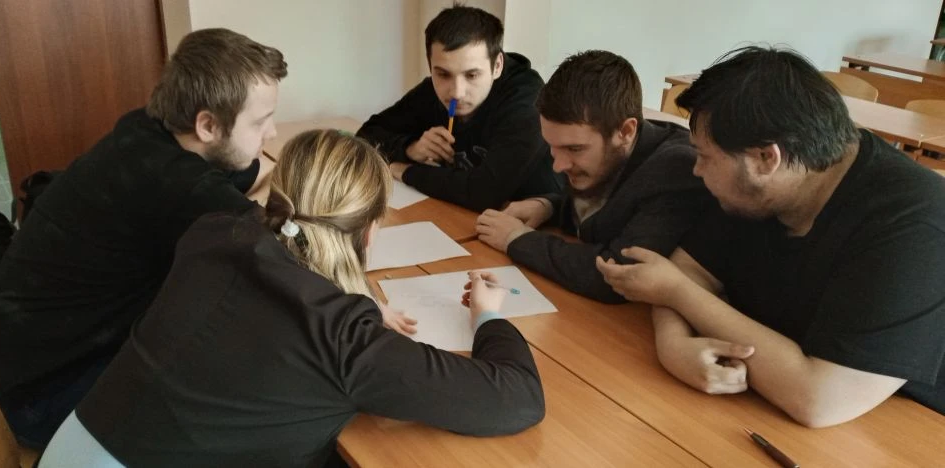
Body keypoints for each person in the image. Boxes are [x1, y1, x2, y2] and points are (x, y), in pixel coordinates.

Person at [39, 129, 546, 467]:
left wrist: (365, 303)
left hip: (69, 450)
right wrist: (488, 317)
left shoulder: (214, 235)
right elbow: (517, 397)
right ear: (369, 231)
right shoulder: (344, 339)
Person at [0, 28, 288, 447]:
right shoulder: (174, 185)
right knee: (236, 387)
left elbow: (234, 174)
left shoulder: (145, 130)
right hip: (37, 396)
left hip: (16, 359)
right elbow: (281, 262)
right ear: (207, 125)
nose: (272, 132)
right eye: (260, 121)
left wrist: (269, 174)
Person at [596, 46, 945, 427]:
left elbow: (820, 400)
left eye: (705, 156)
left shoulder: (914, 224)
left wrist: (676, 294)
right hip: (770, 401)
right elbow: (686, 270)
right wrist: (674, 343)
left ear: (766, 159)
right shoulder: (761, 186)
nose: (696, 170)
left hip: (904, 422)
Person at [475, 50, 712, 303]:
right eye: (552, 146)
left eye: (574, 149)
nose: (558, 166)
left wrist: (516, 238)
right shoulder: (609, 151)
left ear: (626, 131)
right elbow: (602, 216)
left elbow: (617, 274)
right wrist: (547, 207)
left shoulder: (676, 170)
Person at [356, 4, 562, 211]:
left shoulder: (527, 99)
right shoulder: (430, 91)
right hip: (459, 213)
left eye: (472, 75)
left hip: (537, 220)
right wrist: (410, 148)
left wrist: (406, 171)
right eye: (443, 74)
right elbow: (366, 135)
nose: (457, 92)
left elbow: (486, 192)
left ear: (497, 65)